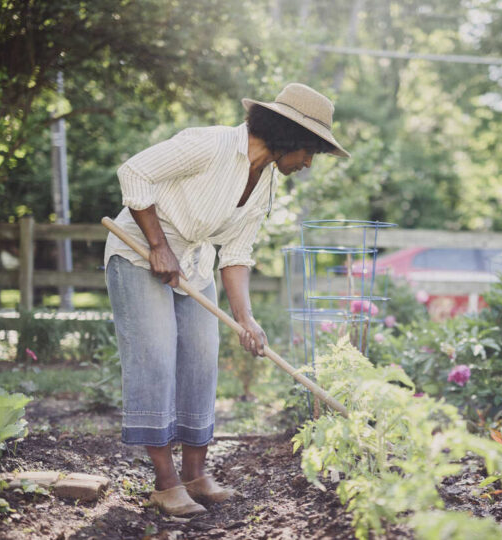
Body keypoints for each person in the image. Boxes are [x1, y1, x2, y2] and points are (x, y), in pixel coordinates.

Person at [104, 83, 349, 516]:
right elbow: (135, 172)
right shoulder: (209, 144)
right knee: (155, 359)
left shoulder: (267, 181)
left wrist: (246, 319)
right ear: (290, 135)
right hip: (139, 255)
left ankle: (196, 476)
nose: (309, 163)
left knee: (201, 359)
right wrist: (158, 245)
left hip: (193, 266)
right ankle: (165, 484)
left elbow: (235, 254)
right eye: (310, 150)